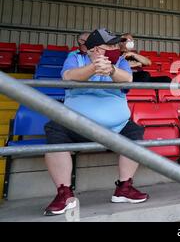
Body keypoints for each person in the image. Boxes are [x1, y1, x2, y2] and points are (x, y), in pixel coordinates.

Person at [43, 28, 148, 216]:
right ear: (97, 49)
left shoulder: (120, 61)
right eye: (111, 45)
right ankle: (65, 194)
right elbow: (67, 76)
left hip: (117, 126)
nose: (117, 48)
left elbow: (128, 79)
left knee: (135, 133)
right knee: (55, 130)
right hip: (75, 124)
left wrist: (112, 70)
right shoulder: (75, 57)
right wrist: (93, 68)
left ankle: (124, 188)